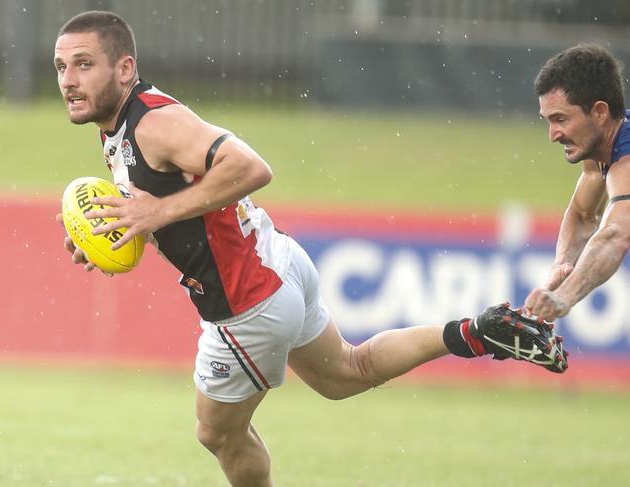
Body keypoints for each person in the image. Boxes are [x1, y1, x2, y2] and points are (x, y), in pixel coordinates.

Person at [54, 11, 561, 487]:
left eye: (84, 64)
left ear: (125, 68)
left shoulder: (153, 123)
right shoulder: (122, 127)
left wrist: (155, 215)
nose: (69, 80)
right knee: (347, 372)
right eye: (61, 67)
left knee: (218, 434)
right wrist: (120, 232)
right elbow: (172, 198)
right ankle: (474, 332)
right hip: (277, 263)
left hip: (246, 299)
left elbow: (252, 168)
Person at [524, 44, 630, 322]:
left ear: (599, 112)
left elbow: (616, 235)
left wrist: (562, 298)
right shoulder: (599, 152)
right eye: (547, 120)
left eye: (560, 119)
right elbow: (584, 216)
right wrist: (562, 265)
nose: (552, 135)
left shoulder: (626, 162)